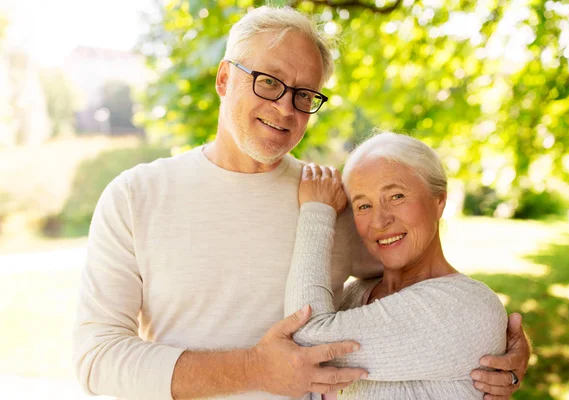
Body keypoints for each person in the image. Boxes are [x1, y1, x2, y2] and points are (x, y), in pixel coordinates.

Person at [73, 6, 530, 400]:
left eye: (305, 94)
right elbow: (97, 358)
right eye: (269, 82)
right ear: (224, 78)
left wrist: (496, 349)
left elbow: (412, 291)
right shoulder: (136, 196)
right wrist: (255, 367)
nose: (287, 108)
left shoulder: (334, 201)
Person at [286, 132, 513, 399]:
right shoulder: (353, 295)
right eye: (364, 205)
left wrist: (315, 211)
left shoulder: (469, 307)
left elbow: (305, 343)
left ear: (439, 200)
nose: (380, 221)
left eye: (396, 196)